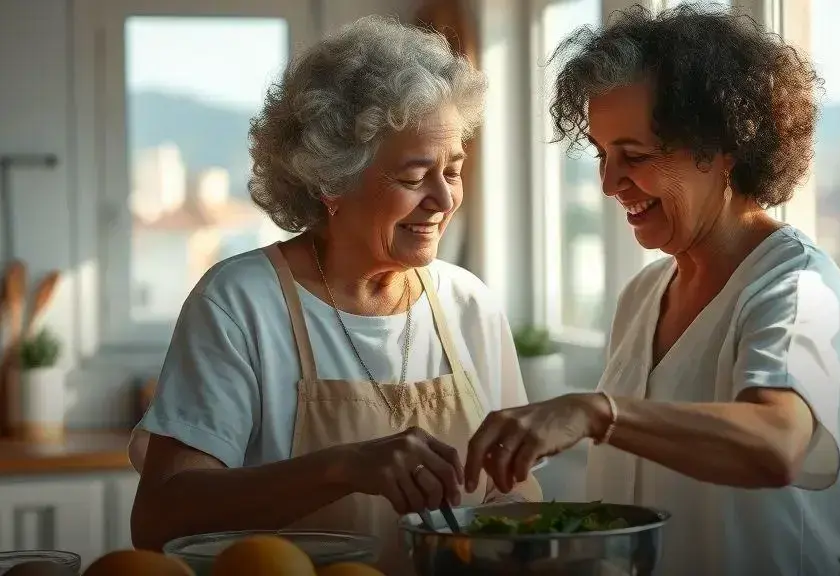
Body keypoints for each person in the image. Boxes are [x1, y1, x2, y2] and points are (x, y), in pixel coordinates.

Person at [128, 15, 541, 575]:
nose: (443, 199)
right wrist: (341, 468)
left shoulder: (469, 305)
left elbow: (512, 493)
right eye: (414, 176)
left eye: (454, 169)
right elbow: (160, 519)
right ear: (331, 183)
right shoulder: (240, 302)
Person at [465, 5, 840, 575]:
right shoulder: (643, 295)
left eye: (636, 156)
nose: (607, 183)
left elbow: (777, 444)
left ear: (723, 147)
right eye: (602, 155)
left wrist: (595, 412)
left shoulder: (795, 286)